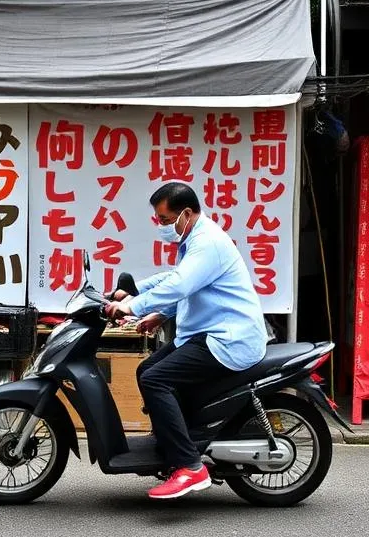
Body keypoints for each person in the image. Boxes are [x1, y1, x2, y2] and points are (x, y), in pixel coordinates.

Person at [103, 181, 268, 500]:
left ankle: (190, 467)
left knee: (155, 379)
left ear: (187, 213)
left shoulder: (207, 243)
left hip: (228, 340)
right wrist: (142, 296)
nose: (162, 227)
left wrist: (132, 306)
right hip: (208, 333)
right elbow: (182, 280)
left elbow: (180, 284)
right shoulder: (197, 238)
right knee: (146, 369)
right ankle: (171, 440)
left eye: (165, 221)